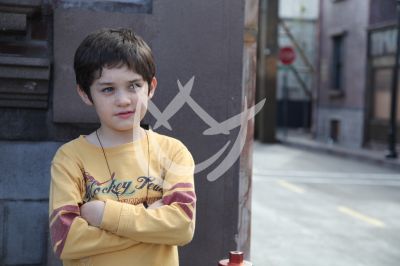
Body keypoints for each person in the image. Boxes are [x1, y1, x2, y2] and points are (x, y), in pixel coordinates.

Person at [49, 28, 196, 266]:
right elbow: (65, 240)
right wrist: (152, 222)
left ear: (151, 87)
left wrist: (102, 214)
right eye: (108, 89)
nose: (123, 100)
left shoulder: (173, 152)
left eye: (134, 85)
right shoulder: (70, 158)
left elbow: (182, 227)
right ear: (86, 94)